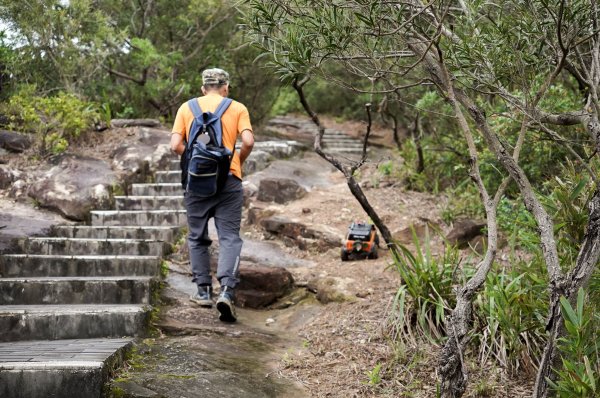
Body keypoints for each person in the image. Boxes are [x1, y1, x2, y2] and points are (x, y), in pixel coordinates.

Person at [170, 68, 254, 322]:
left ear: (203, 88)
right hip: (229, 179)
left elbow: (175, 145)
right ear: (226, 87)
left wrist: (199, 161)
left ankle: (203, 291)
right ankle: (226, 291)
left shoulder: (187, 107)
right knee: (229, 237)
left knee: (197, 236)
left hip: (197, 182)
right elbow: (248, 141)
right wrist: (235, 161)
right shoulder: (238, 108)